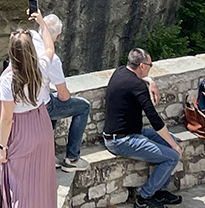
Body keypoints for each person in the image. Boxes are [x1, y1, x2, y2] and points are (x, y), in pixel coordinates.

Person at [103, 47, 182, 207]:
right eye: (150, 65)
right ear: (142, 66)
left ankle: (160, 191)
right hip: (121, 140)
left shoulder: (120, 71)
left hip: (129, 132)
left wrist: (151, 81)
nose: (150, 67)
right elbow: (154, 119)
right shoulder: (137, 86)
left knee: (170, 141)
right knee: (173, 155)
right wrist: (174, 147)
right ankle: (144, 198)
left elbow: (140, 78)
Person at [0, 8, 57, 208]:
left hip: (22, 131)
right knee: (42, 180)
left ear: (12, 53)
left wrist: (2, 148)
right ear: (32, 50)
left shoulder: (9, 80)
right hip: (42, 123)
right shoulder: (40, 67)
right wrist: (41, 23)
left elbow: (7, 119)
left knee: (21, 186)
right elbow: (50, 48)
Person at [39, 14, 90, 172]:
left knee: (52, 101)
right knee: (83, 106)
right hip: (41, 106)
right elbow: (64, 96)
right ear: (58, 36)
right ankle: (72, 158)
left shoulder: (29, 43)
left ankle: (47, 155)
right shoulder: (52, 59)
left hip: (27, 103)